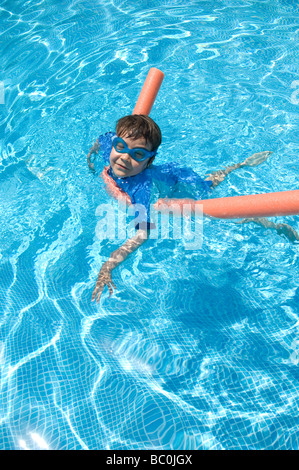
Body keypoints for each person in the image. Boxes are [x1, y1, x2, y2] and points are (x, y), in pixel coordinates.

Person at [87, 114, 298, 302]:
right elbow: (102, 140)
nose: (124, 157)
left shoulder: (140, 188)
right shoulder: (111, 146)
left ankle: (269, 221)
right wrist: (91, 156)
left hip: (181, 188)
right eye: (120, 146)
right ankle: (238, 166)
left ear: (149, 161)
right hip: (165, 177)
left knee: (209, 202)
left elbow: (143, 233)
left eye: (138, 155)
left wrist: (108, 265)